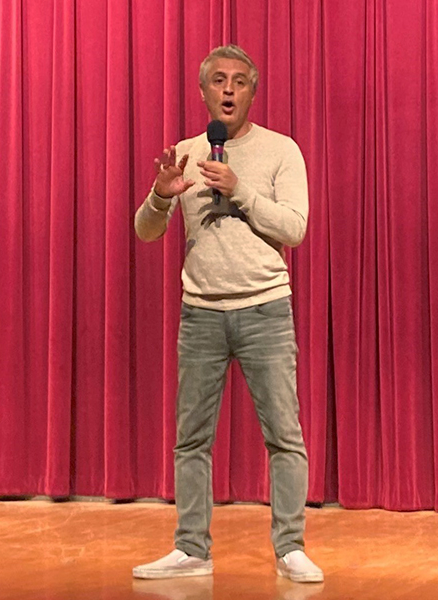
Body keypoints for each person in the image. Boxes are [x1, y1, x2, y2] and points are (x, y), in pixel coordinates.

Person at [131, 44, 322, 584]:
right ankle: (191, 548)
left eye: (240, 81)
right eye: (219, 80)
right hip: (201, 316)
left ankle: (291, 547)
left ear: (253, 92)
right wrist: (160, 197)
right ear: (203, 91)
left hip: (266, 311)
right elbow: (145, 232)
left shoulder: (283, 151)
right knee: (191, 439)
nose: (230, 89)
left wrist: (241, 193)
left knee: (284, 435)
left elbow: (295, 228)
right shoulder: (186, 154)